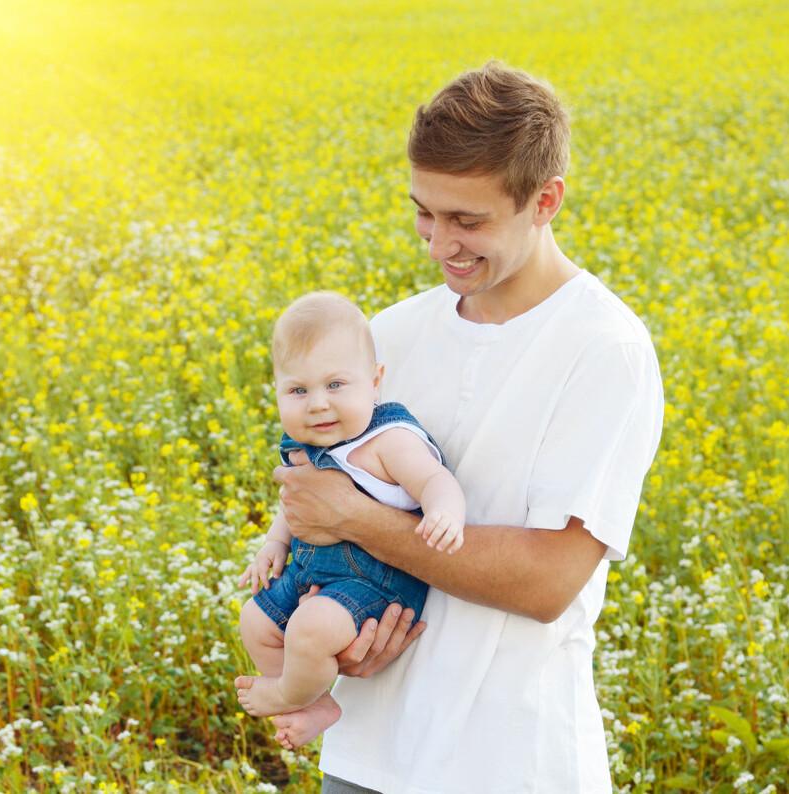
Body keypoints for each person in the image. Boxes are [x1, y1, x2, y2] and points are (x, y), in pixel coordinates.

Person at [271, 62, 665, 793]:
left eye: (469, 220)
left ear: (545, 200)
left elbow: (550, 580)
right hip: (366, 753)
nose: (438, 242)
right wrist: (333, 630)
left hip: (511, 762)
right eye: (425, 211)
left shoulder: (602, 349)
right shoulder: (386, 337)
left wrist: (358, 522)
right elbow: (311, 511)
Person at [234, 291, 466, 736]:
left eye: (335, 385)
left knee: (308, 628)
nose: (318, 404)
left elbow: (436, 480)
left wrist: (445, 512)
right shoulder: (306, 447)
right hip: (309, 571)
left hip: (374, 583)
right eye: (298, 390)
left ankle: (287, 693)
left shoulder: (388, 441)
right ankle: (313, 705)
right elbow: (296, 504)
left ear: (375, 381)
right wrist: (274, 543)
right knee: (256, 621)